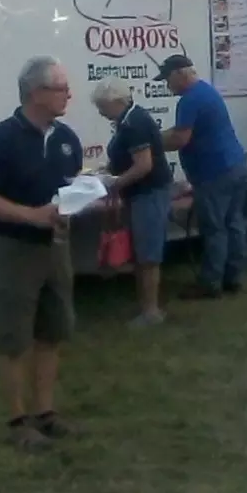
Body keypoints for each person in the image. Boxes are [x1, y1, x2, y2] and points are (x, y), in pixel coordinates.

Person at [0, 56, 82, 452]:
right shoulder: (1, 139)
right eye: (62, 88)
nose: (69, 95)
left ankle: (46, 413)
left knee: (52, 332)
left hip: (56, 249)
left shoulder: (66, 138)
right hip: (14, 251)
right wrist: (31, 216)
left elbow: (68, 187)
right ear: (36, 93)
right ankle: (18, 420)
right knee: (13, 338)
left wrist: (81, 202)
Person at [156, 55, 247, 298]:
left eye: (168, 79)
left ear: (180, 74)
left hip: (214, 172)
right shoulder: (206, 92)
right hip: (235, 165)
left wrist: (151, 142)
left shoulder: (189, 100)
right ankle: (234, 277)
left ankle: (210, 282)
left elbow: (180, 138)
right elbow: (181, 132)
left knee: (215, 228)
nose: (167, 85)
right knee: (234, 223)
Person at [92, 76, 173, 327]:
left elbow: (144, 165)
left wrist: (115, 183)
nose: (101, 112)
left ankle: (151, 312)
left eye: (103, 106)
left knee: (148, 253)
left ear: (116, 101)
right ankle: (146, 307)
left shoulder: (134, 123)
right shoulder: (127, 120)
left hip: (149, 192)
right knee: (141, 251)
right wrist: (108, 170)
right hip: (141, 193)